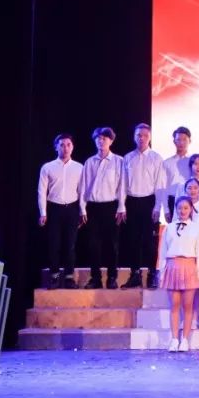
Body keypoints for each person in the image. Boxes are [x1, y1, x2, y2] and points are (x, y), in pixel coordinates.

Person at [158, 196, 199, 352]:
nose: (182, 211)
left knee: (188, 305)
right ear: (176, 209)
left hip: (189, 266)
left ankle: (185, 339)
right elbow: (163, 252)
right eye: (180, 208)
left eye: (186, 208)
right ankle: (174, 339)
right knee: (174, 305)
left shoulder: (196, 228)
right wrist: (162, 271)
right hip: (172, 266)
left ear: (191, 209)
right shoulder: (169, 228)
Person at [81, 127, 126, 289]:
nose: (101, 141)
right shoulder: (89, 162)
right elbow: (84, 186)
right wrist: (82, 208)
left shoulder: (119, 161)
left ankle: (112, 277)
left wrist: (121, 206)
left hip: (111, 206)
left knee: (112, 244)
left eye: (104, 138)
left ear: (111, 141)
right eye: (98, 138)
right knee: (93, 244)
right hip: (93, 207)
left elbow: (122, 185)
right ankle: (96, 278)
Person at [37, 133, 83, 288]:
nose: (65, 148)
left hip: (72, 208)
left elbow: (82, 191)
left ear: (73, 147)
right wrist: (43, 212)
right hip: (54, 208)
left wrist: (82, 211)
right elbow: (42, 191)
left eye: (68, 145)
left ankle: (69, 277)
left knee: (70, 245)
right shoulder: (47, 167)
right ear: (56, 147)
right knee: (54, 244)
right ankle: (54, 276)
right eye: (62, 145)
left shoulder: (79, 167)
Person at [122, 123, 165, 289]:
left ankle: (152, 274)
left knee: (150, 241)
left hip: (149, 201)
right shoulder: (128, 158)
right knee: (133, 240)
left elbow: (160, 184)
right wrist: (122, 205)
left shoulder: (156, 158)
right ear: (134, 137)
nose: (141, 138)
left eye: (145, 135)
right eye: (138, 135)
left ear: (150, 138)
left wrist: (157, 207)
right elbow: (123, 184)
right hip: (132, 201)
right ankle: (135, 274)